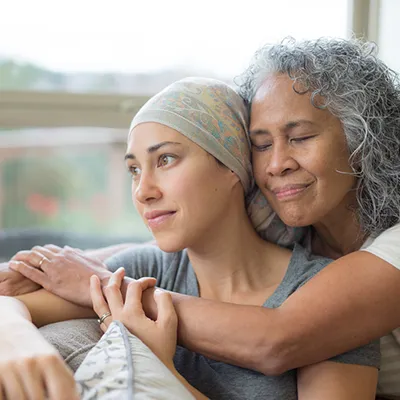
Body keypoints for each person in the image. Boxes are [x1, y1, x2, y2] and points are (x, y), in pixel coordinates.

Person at [0, 77, 378, 399]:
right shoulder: (146, 271)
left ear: (232, 166)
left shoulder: (322, 302)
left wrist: (165, 371)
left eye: (165, 160)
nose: (143, 191)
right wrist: (16, 336)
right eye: (134, 169)